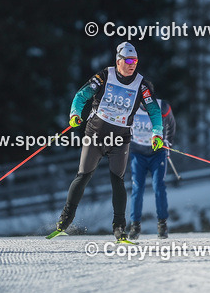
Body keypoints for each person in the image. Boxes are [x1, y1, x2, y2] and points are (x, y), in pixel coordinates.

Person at [51, 42, 164, 241]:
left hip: (120, 140)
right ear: (118, 61)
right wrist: (75, 114)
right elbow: (81, 96)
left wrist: (157, 133)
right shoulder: (104, 76)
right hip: (95, 134)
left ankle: (119, 228)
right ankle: (65, 221)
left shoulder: (142, 85)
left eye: (135, 61)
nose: (132, 65)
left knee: (117, 181)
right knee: (83, 176)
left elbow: (154, 111)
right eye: (128, 61)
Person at [128, 98, 176, 240]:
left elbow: (171, 124)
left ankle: (162, 224)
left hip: (157, 154)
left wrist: (168, 142)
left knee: (158, 186)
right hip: (138, 154)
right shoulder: (131, 106)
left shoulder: (162, 106)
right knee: (137, 188)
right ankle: (135, 226)